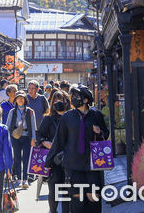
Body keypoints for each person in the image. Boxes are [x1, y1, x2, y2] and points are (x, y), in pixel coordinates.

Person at [44, 85, 110, 213]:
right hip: (73, 165)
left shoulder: (96, 115)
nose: (73, 98)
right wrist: (49, 161)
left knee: (94, 200)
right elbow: (58, 141)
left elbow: (105, 135)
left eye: (77, 96)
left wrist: (99, 131)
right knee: (77, 203)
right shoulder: (67, 117)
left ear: (85, 100)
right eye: (72, 96)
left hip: (93, 165)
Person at [36, 90, 71, 213]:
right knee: (54, 190)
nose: (58, 103)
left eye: (61, 100)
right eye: (55, 101)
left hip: (69, 158)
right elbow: (39, 135)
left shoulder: (72, 117)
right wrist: (45, 143)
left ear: (67, 101)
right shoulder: (48, 119)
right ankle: (53, 211)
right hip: (54, 160)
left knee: (67, 191)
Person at [5, 91, 37, 188]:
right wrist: (7, 137)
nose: (20, 100)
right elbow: (8, 125)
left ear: (25, 100)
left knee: (26, 158)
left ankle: (25, 180)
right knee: (17, 158)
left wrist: (33, 138)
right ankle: (19, 179)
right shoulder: (12, 111)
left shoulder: (30, 111)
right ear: (15, 100)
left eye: (22, 98)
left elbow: (33, 125)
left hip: (27, 136)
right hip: (15, 137)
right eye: (18, 98)